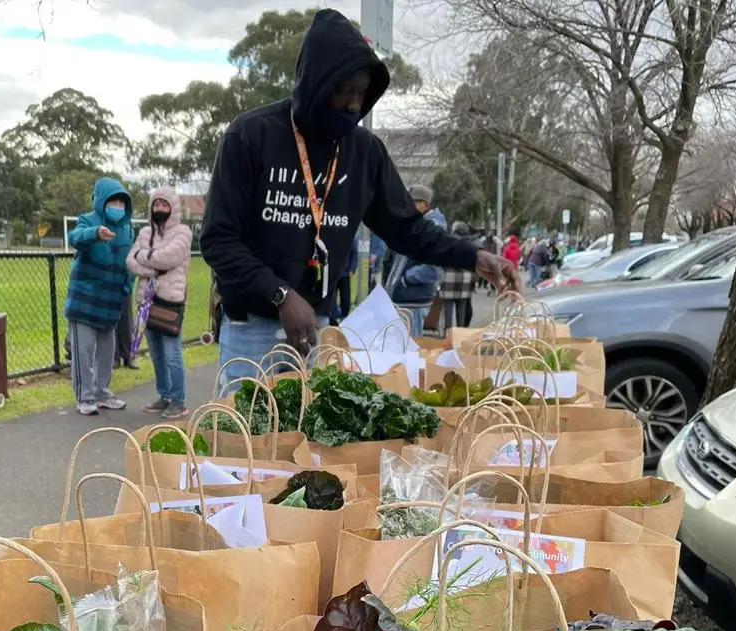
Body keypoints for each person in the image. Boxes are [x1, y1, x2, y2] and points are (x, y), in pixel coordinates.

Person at [200, 8, 519, 385]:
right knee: (242, 440)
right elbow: (218, 239)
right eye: (344, 91)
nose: (353, 104)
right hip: (250, 326)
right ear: (317, 83)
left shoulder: (364, 152)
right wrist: (280, 294)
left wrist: (473, 255)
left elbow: (408, 229)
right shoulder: (251, 136)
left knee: (304, 439)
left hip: (312, 329)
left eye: (361, 94)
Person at [65, 177, 134, 416]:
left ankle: (102, 393)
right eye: (112, 201)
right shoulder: (88, 220)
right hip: (84, 303)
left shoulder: (127, 229)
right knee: (83, 352)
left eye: (120, 202)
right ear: (101, 201)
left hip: (110, 304)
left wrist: (126, 287)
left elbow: (129, 263)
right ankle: (85, 397)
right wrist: (95, 233)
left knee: (107, 352)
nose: (117, 206)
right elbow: (75, 238)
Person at [127, 188, 193, 420]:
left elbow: (170, 257)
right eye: (156, 204)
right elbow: (130, 261)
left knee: (172, 354)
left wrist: (144, 258)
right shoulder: (145, 232)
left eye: (165, 205)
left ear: (173, 207)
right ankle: (164, 395)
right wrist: (152, 261)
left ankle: (178, 400)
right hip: (146, 302)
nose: (160, 209)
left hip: (170, 303)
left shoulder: (183, 232)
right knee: (156, 354)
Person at [384, 185, 447, 336]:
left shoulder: (432, 227)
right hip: (405, 300)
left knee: (410, 350)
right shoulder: (414, 225)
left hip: (413, 300)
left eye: (412, 203)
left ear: (424, 205)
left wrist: (406, 279)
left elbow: (433, 268)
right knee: (401, 349)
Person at [439, 221, 475, 330]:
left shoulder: (447, 242)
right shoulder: (470, 244)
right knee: (461, 314)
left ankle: (448, 338)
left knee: (448, 315)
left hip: (448, 280)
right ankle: (460, 337)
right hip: (465, 280)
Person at [332, 238, 359, 323]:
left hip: (345, 274)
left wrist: (352, 269)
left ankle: (344, 316)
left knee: (345, 298)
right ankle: (334, 317)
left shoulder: (350, 238)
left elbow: (354, 253)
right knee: (332, 298)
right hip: (333, 274)